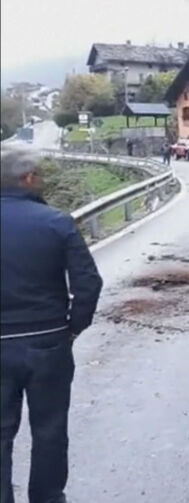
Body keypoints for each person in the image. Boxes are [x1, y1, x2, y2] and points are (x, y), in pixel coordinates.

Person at [0, 145, 103, 503]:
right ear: (28, 179)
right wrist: (73, 328)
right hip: (47, 343)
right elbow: (89, 284)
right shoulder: (55, 221)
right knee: (49, 431)